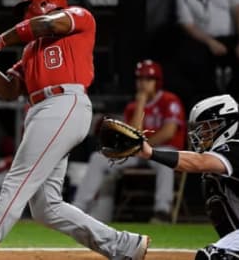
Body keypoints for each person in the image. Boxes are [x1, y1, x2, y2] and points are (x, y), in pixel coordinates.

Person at [0, 0, 149, 260]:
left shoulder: (78, 16)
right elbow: (10, 90)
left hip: (64, 102)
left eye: (27, 7)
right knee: (46, 208)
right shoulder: (30, 51)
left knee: (18, 180)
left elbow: (46, 24)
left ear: (46, 3)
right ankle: (123, 245)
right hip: (42, 110)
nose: (22, 15)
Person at [135, 94, 239, 259]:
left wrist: (151, 153)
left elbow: (198, 163)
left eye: (208, 126)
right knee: (213, 183)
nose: (202, 133)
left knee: (214, 256)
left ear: (227, 125)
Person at [73, 60, 186, 223]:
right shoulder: (133, 106)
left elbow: (169, 131)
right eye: (140, 79)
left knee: (166, 159)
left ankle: (162, 211)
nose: (143, 83)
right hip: (137, 152)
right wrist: (140, 103)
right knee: (98, 158)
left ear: (157, 82)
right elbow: (132, 135)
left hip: (160, 151)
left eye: (148, 79)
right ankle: (78, 208)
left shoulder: (170, 100)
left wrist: (144, 146)